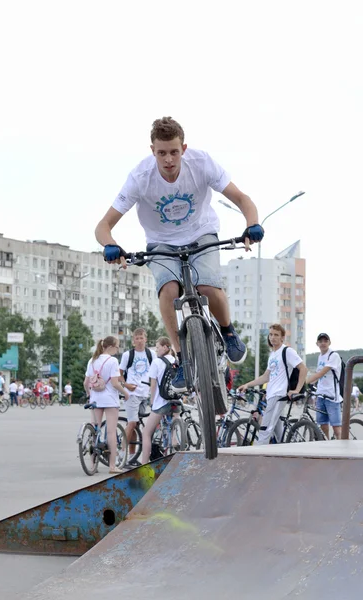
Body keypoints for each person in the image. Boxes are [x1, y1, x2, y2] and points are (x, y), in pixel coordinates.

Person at [96, 116, 264, 391]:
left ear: (183, 149)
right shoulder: (140, 177)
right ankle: (183, 358)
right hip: (161, 243)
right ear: (153, 151)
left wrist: (252, 224)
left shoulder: (201, 164)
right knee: (169, 290)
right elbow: (103, 226)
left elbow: (243, 199)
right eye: (161, 153)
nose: (169, 160)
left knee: (207, 285)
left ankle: (228, 331)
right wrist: (110, 245)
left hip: (201, 233)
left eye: (174, 152)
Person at [237, 324, 307, 444]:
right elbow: (266, 377)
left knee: (265, 429)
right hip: (271, 395)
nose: (272, 337)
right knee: (277, 433)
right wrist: (248, 385)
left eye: (276, 335)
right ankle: (284, 454)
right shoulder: (273, 355)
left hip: (279, 394)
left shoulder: (287, 351)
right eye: (270, 334)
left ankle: (259, 457)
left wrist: (296, 389)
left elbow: (303, 369)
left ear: (282, 337)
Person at [84, 336, 129, 474]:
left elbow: (86, 383)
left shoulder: (92, 360)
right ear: (110, 347)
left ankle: (92, 463)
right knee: (111, 431)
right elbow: (115, 383)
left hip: (95, 399)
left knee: (95, 429)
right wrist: (125, 393)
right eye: (117, 347)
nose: (118, 349)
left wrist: (89, 394)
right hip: (110, 399)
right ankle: (112, 466)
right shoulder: (113, 360)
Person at [119, 328, 156, 467]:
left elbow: (155, 373)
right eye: (137, 338)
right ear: (133, 341)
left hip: (144, 394)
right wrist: (126, 385)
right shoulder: (128, 355)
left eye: (142, 338)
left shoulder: (151, 354)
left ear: (146, 339)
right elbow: (119, 373)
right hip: (132, 394)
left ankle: (132, 456)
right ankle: (122, 455)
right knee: (132, 423)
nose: (140, 341)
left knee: (137, 425)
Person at [141, 337, 181, 464]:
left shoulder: (157, 362)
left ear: (165, 347)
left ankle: (143, 463)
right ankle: (174, 437)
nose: (156, 350)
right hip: (175, 401)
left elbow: (153, 385)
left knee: (146, 433)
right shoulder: (176, 361)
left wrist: (152, 401)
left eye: (158, 347)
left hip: (161, 403)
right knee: (175, 417)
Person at [307, 333, 343, 440]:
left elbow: (321, 373)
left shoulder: (333, 355)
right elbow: (318, 376)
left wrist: (304, 383)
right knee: (323, 426)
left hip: (332, 396)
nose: (323, 343)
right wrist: (310, 385)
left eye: (325, 341)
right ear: (317, 343)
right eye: (320, 341)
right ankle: (327, 448)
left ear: (329, 342)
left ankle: (343, 451)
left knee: (336, 428)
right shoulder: (320, 356)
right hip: (321, 395)